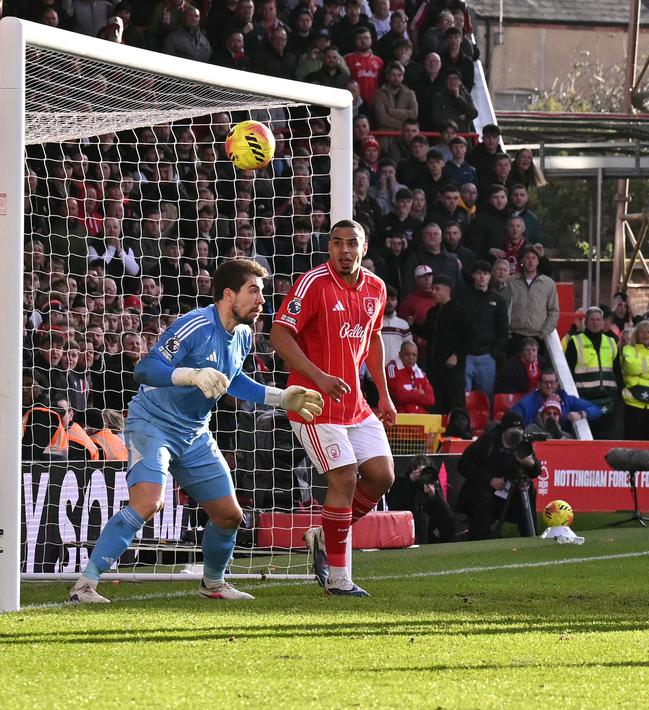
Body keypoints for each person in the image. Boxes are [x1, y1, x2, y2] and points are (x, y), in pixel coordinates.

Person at [68, 259, 325, 604]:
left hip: (194, 434)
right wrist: (189, 374)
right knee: (149, 502)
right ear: (229, 294)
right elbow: (146, 369)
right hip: (152, 425)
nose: (262, 301)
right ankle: (84, 585)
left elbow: (230, 380)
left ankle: (213, 584)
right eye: (254, 291)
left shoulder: (244, 336)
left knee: (230, 515)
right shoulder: (195, 325)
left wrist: (279, 398)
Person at [270, 221, 398, 597]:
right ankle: (340, 580)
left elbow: (372, 338)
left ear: (364, 247)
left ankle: (323, 534)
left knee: (382, 476)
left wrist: (384, 395)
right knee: (344, 477)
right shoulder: (313, 284)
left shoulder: (376, 287)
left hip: (354, 404)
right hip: (313, 403)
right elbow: (279, 333)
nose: (344, 250)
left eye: (351, 243)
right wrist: (319, 376)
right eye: (337, 243)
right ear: (329, 247)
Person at [456, 413, 541, 539]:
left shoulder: (522, 443)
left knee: (528, 491)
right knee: (483, 498)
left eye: (520, 430)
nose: (517, 433)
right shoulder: (488, 441)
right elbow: (463, 465)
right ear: (504, 430)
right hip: (483, 491)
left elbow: (535, 472)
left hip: (509, 493)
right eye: (513, 430)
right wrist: (489, 480)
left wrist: (531, 464)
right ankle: (479, 540)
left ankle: (530, 536)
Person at [412, 274, 472, 414]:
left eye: (437, 289)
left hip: (453, 369)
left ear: (447, 290)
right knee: (436, 402)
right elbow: (428, 333)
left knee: (454, 404)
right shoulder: (433, 312)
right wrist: (413, 325)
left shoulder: (460, 312)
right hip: (434, 367)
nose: (433, 292)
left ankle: (456, 433)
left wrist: (457, 355)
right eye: (433, 289)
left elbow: (470, 338)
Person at [565, 307, 621, 439]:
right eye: (592, 319)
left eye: (598, 319)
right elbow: (569, 370)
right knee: (588, 438)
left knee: (606, 437)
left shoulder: (611, 342)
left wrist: (618, 393)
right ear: (586, 322)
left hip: (608, 398)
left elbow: (617, 370)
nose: (595, 322)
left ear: (603, 322)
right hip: (585, 398)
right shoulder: (576, 341)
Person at [461, 260, 508, 401]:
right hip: (466, 355)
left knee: (486, 398)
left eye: (485, 273)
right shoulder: (463, 298)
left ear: (490, 276)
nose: (482, 277)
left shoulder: (498, 301)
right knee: (463, 397)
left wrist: (494, 353)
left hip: (487, 356)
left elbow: (503, 330)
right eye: (478, 273)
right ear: (473, 276)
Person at [387, 455, 456, 544]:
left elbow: (445, 511)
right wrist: (410, 481)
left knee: (449, 519)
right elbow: (394, 504)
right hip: (407, 522)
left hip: (431, 526)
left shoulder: (432, 484)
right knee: (422, 517)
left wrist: (433, 495)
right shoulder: (402, 482)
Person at [511, 370, 602, 436]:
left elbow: (599, 409)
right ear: (539, 384)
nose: (549, 386)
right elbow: (514, 416)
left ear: (557, 384)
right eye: (545, 382)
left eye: (552, 382)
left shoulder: (566, 399)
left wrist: (581, 413)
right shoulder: (528, 401)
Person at [506, 248, 558, 359]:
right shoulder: (510, 281)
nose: (530, 261)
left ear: (538, 261)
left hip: (538, 336)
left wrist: (544, 332)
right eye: (527, 258)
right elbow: (505, 307)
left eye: (534, 258)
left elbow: (553, 310)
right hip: (515, 335)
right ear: (522, 261)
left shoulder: (548, 283)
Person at [386, 340, 435, 414]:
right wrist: (419, 393)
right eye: (407, 354)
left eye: (414, 355)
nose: (411, 357)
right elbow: (399, 395)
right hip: (401, 417)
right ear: (400, 354)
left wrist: (409, 394)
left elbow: (431, 400)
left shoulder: (420, 372)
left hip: (422, 417)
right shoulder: (392, 368)